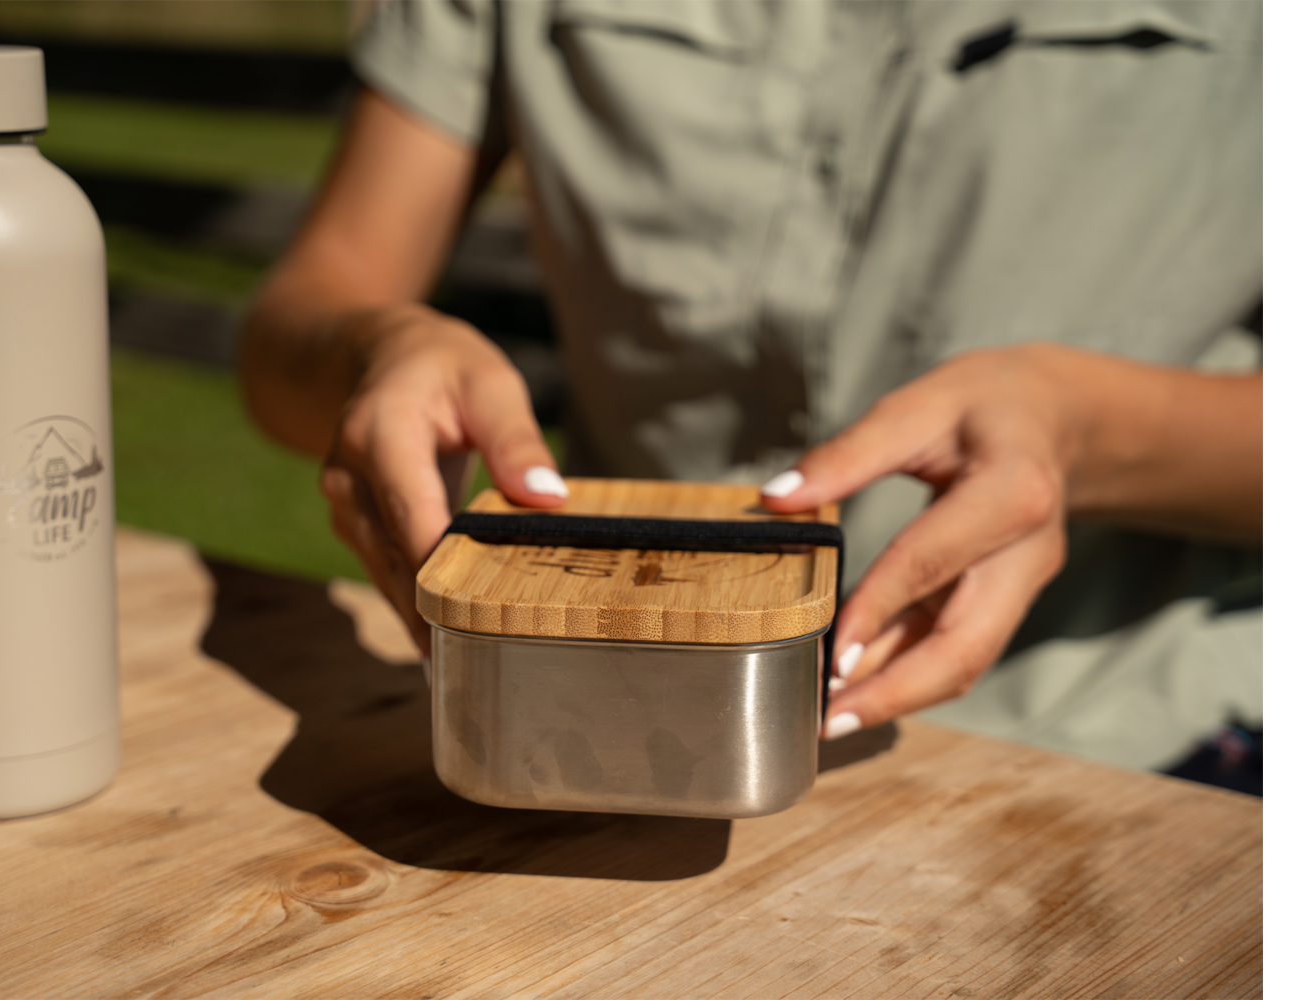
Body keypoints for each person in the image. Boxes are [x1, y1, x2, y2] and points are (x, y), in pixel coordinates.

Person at [241, 0, 1262, 770]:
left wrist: (1083, 434)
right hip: (608, 724)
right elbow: (300, 320)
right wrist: (373, 349)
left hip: (1125, 740)